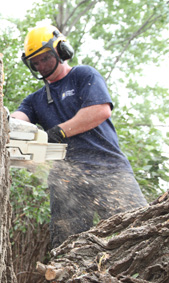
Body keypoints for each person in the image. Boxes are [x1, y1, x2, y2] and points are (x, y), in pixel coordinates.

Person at [11, 25, 148, 248]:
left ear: (61, 51)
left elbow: (100, 110)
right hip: (67, 179)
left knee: (141, 234)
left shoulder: (83, 75)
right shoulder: (35, 99)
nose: (41, 65)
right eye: (36, 62)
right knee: (68, 247)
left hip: (108, 170)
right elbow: (18, 120)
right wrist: (5, 121)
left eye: (45, 58)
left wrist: (59, 131)